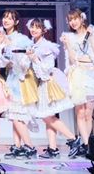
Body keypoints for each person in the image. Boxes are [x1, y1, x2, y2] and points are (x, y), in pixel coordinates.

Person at [60, 8, 94, 158]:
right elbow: (71, 60)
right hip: (78, 74)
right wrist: (67, 45)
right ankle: (87, 145)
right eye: (70, 20)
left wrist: (92, 38)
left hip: (92, 74)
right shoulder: (69, 37)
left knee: (88, 112)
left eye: (75, 18)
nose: (73, 22)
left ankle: (88, 144)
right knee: (80, 112)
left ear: (82, 18)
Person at [25, 18, 76, 159]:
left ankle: (73, 139)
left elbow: (46, 70)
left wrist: (34, 59)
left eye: (37, 27)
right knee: (48, 116)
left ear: (44, 30)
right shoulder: (32, 45)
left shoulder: (46, 47)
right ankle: (53, 149)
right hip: (41, 84)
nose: (34, 29)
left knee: (47, 116)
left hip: (48, 83)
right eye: (32, 27)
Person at [0, 10, 37, 159]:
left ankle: (30, 147)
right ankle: (17, 147)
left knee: (17, 116)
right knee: (13, 115)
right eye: (4, 17)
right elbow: (1, 62)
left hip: (21, 80)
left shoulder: (22, 39)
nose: (6, 20)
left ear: (16, 22)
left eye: (9, 18)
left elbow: (25, 63)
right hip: (10, 79)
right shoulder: (1, 37)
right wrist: (1, 48)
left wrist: (9, 46)